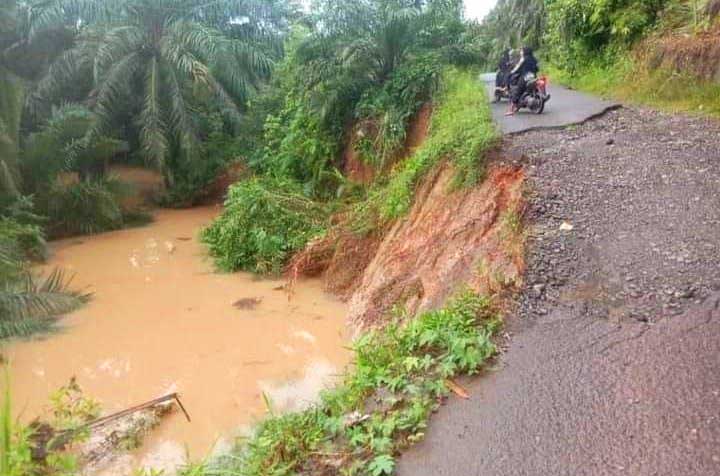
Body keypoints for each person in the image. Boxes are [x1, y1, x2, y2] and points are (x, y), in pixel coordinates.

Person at [506, 47, 539, 116]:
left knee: (517, 92)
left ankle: (511, 110)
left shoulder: (524, 59)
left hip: (525, 78)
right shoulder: (534, 59)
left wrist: (511, 73)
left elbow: (517, 68)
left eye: (522, 51)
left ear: (525, 52)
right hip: (534, 77)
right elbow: (537, 69)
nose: (521, 52)